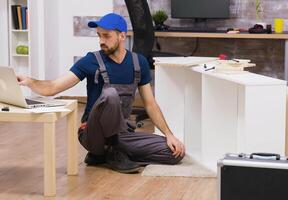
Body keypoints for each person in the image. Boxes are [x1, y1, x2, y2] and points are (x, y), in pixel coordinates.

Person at [17, 13, 185, 173]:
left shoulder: (138, 62)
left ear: (122, 36)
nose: (101, 41)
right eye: (99, 35)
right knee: (110, 94)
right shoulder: (91, 60)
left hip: (122, 134)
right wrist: (31, 82)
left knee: (174, 153)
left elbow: (150, 104)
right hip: (92, 134)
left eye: (106, 36)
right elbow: (53, 87)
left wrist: (169, 135)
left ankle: (108, 153)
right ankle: (108, 150)